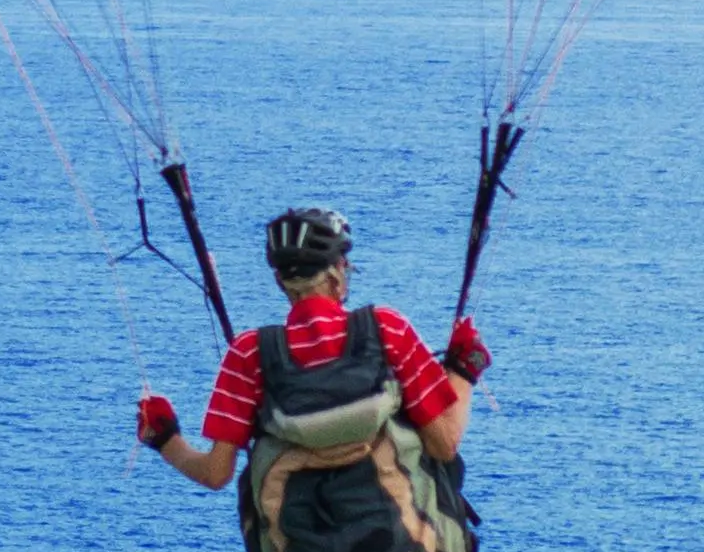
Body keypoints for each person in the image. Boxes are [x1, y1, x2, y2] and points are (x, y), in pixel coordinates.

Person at [137, 211, 480, 521]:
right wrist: (464, 369)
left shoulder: (249, 353)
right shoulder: (387, 329)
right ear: (336, 276)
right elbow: (444, 444)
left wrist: (165, 439)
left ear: (279, 282)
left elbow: (215, 473)